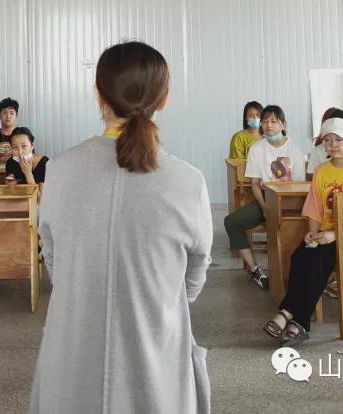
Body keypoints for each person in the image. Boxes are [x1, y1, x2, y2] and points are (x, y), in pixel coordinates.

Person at [31, 41, 213, 414]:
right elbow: (194, 274)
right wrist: (153, 301)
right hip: (155, 356)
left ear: (98, 94)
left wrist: (88, 294)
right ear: (165, 99)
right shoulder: (187, 181)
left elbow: (54, 258)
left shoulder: (60, 171)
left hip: (72, 356)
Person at [263, 117, 343, 343]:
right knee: (300, 255)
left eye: (338, 140)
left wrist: (335, 235)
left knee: (319, 257)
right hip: (326, 234)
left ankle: (288, 313)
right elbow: (314, 207)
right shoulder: (322, 171)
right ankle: (298, 323)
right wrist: (312, 233)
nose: (332, 145)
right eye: (327, 140)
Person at [223, 105, 306, 288]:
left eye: (274, 121)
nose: (269, 125)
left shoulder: (294, 150)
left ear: (283, 124)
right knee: (232, 222)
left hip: (290, 202)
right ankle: (255, 270)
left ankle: (295, 271)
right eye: (265, 121)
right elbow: (254, 184)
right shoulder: (257, 149)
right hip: (266, 200)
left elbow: (299, 185)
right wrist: (265, 208)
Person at [307, 108, 343, 175]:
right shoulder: (320, 167)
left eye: (339, 139)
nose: (333, 144)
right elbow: (311, 177)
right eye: (327, 140)